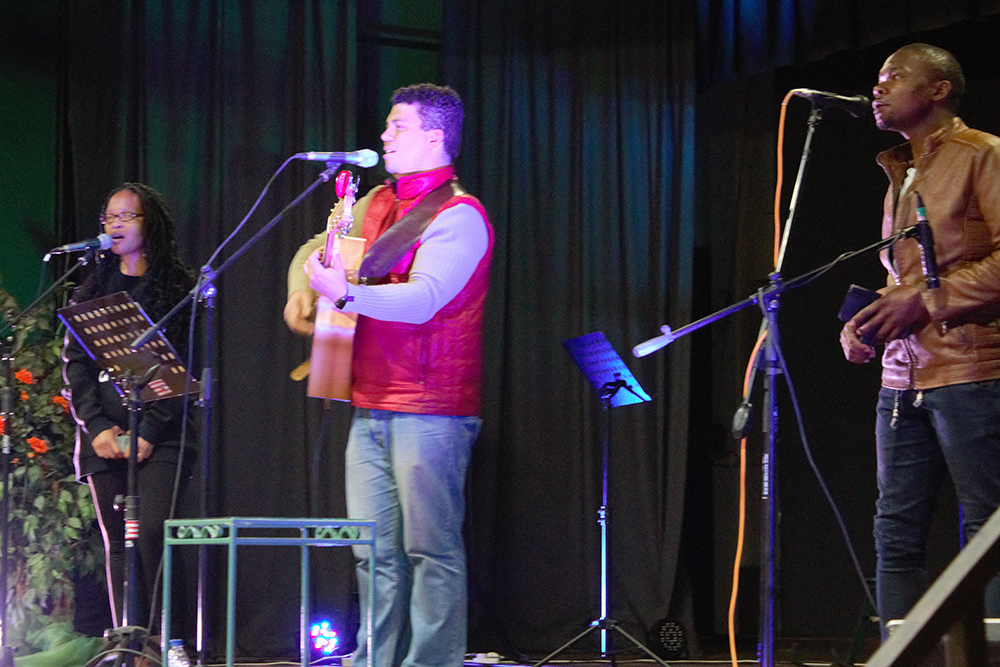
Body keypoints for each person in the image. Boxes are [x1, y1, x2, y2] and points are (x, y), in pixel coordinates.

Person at [285, 83, 493, 667]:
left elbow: (424, 299)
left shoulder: (460, 215)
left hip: (432, 405)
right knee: (371, 550)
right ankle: (373, 659)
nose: (384, 135)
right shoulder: (377, 201)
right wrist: (302, 288)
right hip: (370, 398)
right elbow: (316, 247)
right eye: (387, 125)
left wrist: (345, 294)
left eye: (397, 126)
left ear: (435, 136)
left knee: (429, 550)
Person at [840, 43, 1000, 634]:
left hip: (971, 369)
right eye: (877, 80)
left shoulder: (982, 154)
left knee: (986, 531)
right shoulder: (901, 172)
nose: (877, 88)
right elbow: (906, 277)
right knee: (895, 531)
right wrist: (866, 320)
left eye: (893, 77)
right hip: (902, 377)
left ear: (938, 89)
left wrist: (926, 301)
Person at [63, 182, 197, 633]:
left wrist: (149, 433)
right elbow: (76, 367)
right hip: (102, 435)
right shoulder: (89, 292)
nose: (115, 224)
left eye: (126, 216)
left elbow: (185, 370)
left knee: (153, 533)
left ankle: (166, 641)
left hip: (162, 434)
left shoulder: (181, 289)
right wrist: (98, 426)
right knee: (117, 542)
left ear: (149, 223)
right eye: (109, 217)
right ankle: (128, 643)